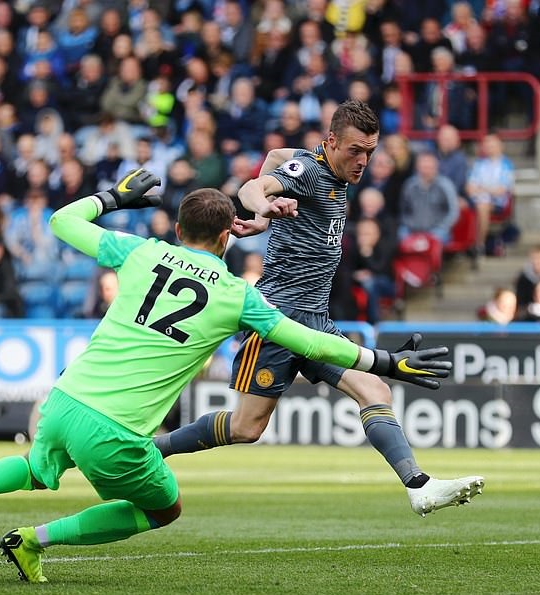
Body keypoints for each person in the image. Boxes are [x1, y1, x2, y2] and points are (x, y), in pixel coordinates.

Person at [0, 169, 454, 583]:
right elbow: (307, 340)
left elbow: (61, 220)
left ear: (178, 226)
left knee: (34, 468)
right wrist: (381, 362)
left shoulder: (139, 252)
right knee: (163, 510)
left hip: (63, 399)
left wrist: (113, 196)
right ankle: (35, 539)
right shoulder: (235, 296)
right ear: (230, 234)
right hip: (118, 430)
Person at [153, 100, 485, 517]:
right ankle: (151, 450)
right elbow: (250, 188)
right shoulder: (310, 172)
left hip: (316, 318)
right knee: (246, 427)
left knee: (374, 389)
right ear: (330, 142)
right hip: (276, 319)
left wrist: (265, 215)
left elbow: (274, 157)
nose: (363, 161)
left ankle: (419, 486)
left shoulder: (320, 165)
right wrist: (263, 208)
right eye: (354, 151)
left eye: (370, 151)